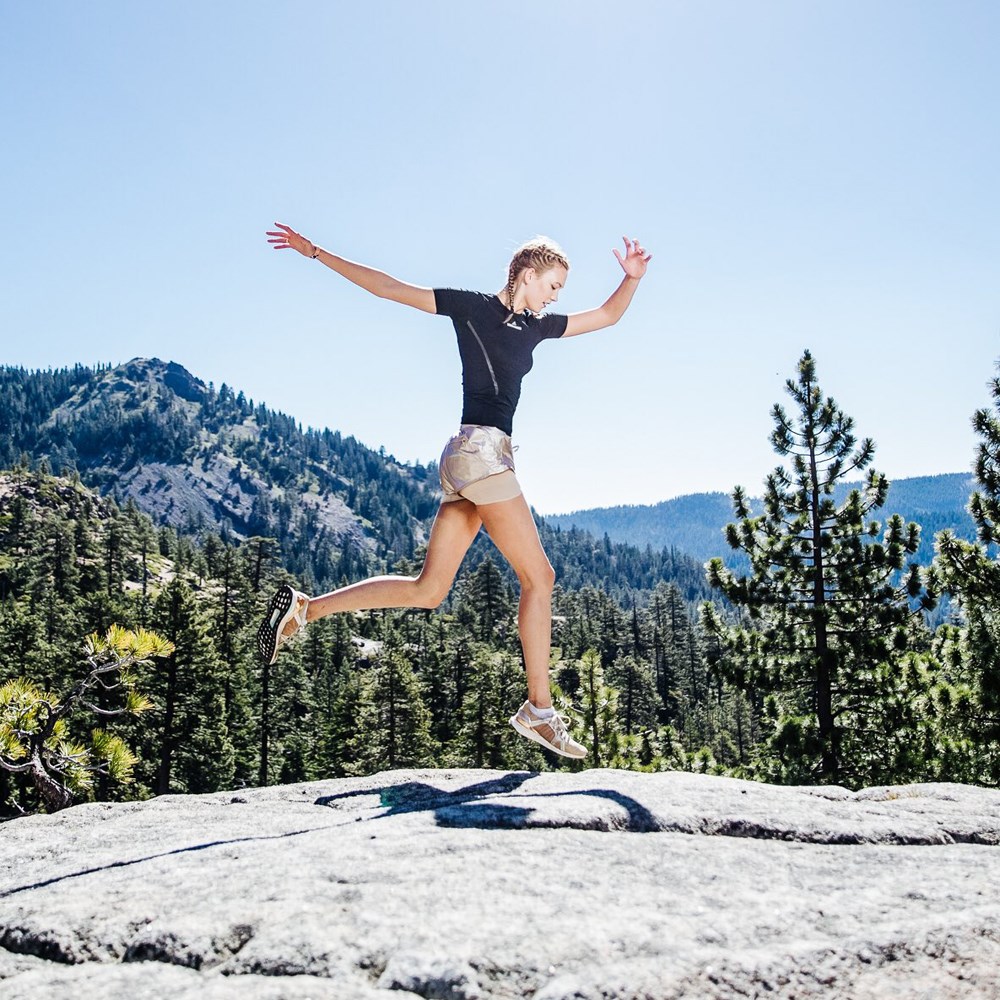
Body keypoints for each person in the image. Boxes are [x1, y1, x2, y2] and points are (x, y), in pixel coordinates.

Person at [257, 222, 652, 758]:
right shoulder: (471, 307)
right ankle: (539, 711)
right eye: (553, 285)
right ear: (527, 274)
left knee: (429, 590)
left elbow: (606, 316)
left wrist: (630, 279)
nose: (557, 297)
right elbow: (389, 288)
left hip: (471, 461)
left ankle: (306, 609)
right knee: (541, 577)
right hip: (479, 456)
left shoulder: (537, 328)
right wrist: (315, 252)